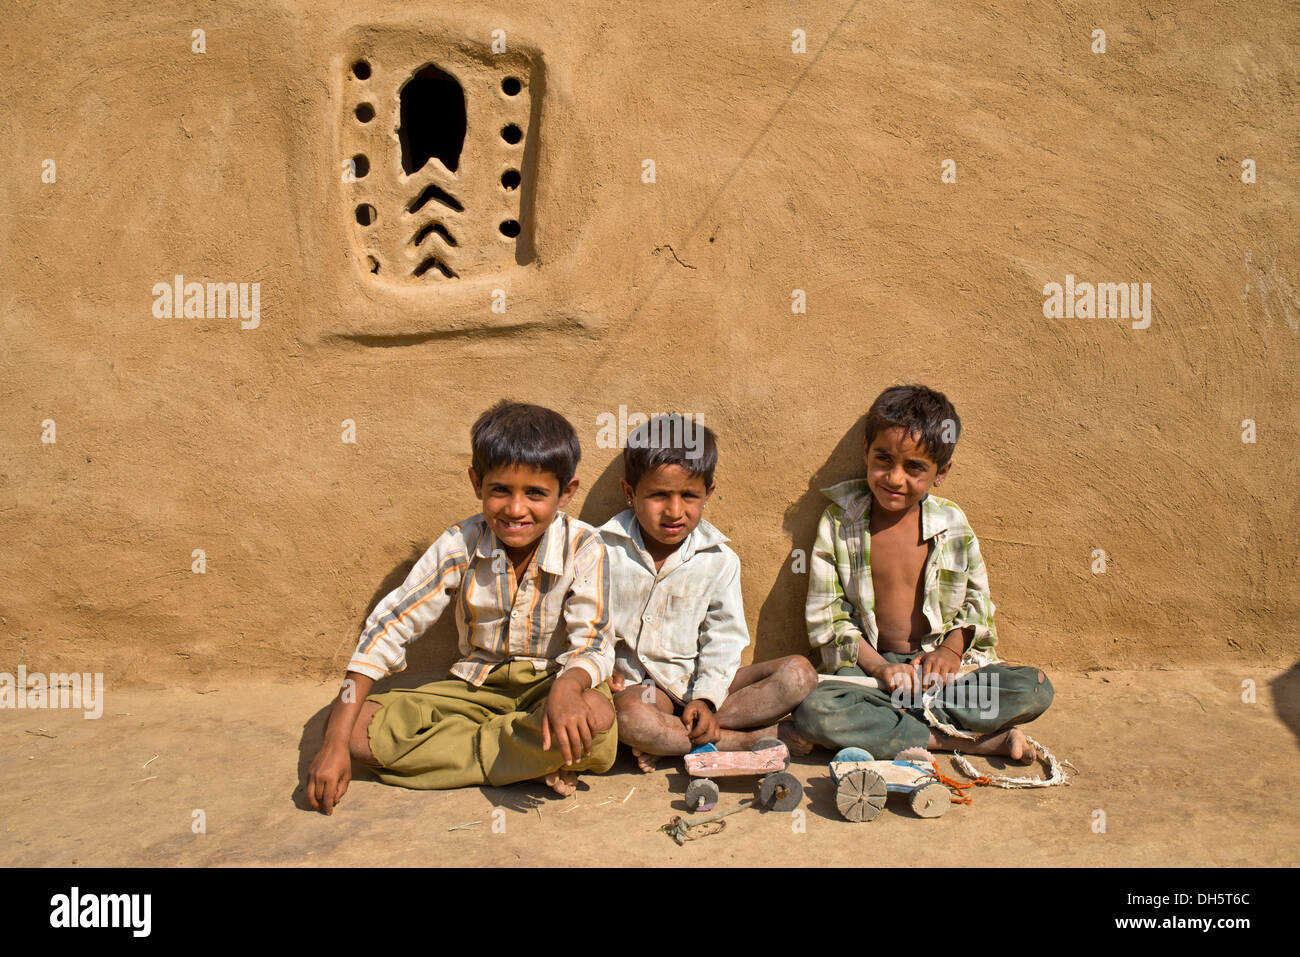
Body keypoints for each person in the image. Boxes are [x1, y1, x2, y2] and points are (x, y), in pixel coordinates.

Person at [306, 401, 616, 814]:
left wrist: (567, 686)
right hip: (475, 688)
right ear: (476, 483)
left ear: (567, 493)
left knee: (597, 718)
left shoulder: (585, 546)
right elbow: (389, 627)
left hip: (551, 685)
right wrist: (333, 743)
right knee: (358, 729)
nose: (516, 509)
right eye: (500, 490)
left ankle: (503, 752)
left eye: (536, 493)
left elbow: (593, 642)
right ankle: (525, 759)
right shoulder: (460, 543)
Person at [794, 385, 1054, 760]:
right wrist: (882, 668)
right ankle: (962, 740)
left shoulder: (953, 524)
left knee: (1034, 688)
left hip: (942, 678)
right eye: (884, 459)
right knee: (815, 709)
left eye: (914, 467)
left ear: (941, 471)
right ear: (866, 452)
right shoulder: (838, 523)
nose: (895, 478)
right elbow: (827, 619)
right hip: (870, 676)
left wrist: (949, 652)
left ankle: (895, 727)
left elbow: (977, 601)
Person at [599, 414, 818, 772]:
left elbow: (724, 639)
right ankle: (744, 741)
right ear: (629, 492)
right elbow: (588, 622)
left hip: (706, 685)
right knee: (629, 719)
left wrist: (706, 699)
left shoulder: (720, 560)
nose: (674, 511)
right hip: (644, 690)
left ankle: (679, 739)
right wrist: (601, 670)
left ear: (708, 493)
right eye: (658, 495)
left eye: (689, 496)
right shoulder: (601, 550)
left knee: (800, 674)